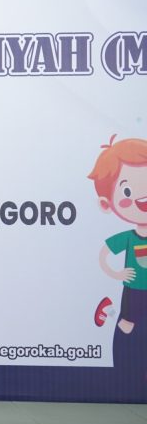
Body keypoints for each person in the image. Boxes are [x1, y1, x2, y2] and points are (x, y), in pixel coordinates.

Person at [89, 136, 147, 388]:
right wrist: (117, 274)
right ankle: (109, 310)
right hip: (133, 288)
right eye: (128, 191)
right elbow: (104, 254)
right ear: (106, 204)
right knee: (127, 326)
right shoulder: (128, 237)